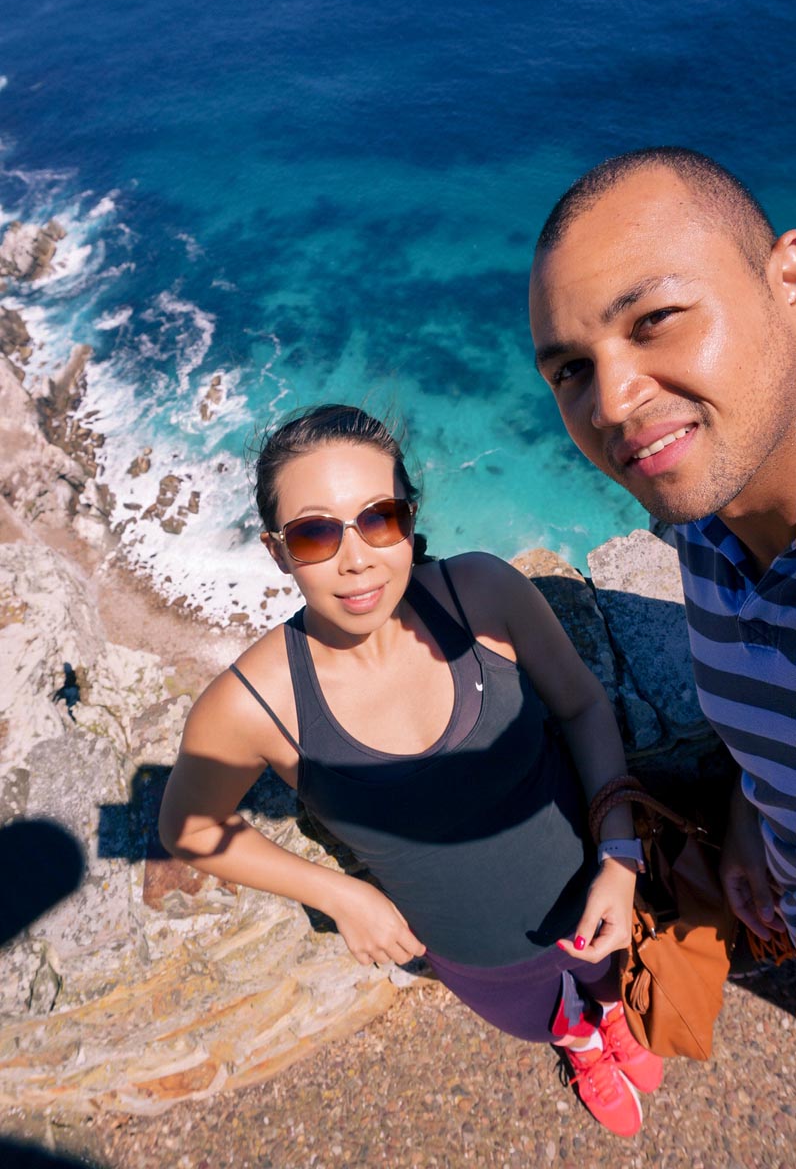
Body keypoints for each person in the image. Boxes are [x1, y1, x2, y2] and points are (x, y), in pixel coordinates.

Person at [159, 403, 662, 1138]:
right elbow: (188, 828)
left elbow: (584, 707)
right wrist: (340, 896)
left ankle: (610, 1018)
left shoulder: (482, 595)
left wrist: (619, 855)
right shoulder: (252, 704)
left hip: (592, 892)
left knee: (607, 983)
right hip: (472, 956)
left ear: (409, 516)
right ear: (276, 551)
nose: (356, 557)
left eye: (379, 518)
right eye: (314, 533)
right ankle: (580, 1042)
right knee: (542, 1019)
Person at [528, 146, 796, 959]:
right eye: (572, 369)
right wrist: (756, 811)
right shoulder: (706, 527)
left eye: (653, 321)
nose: (611, 403)